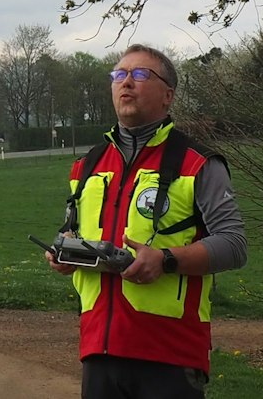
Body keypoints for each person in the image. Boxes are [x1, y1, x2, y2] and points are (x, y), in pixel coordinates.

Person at [47, 44, 247, 398]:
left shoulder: (197, 162)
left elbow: (234, 244)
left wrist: (166, 260)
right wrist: (65, 252)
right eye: (118, 75)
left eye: (140, 75)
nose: (126, 82)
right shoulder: (87, 165)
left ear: (168, 95)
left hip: (170, 353)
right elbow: (75, 231)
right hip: (98, 350)